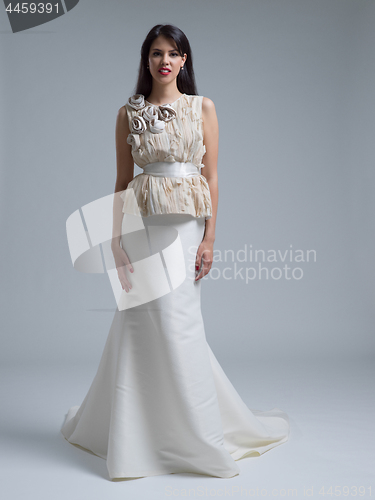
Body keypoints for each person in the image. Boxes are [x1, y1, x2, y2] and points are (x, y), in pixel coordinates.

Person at [61, 24, 290, 481]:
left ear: (184, 61)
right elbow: (122, 183)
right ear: (146, 61)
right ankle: (136, 436)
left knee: (180, 322)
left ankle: (197, 438)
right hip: (143, 226)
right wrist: (116, 243)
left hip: (185, 227)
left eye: (173, 53)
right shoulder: (130, 113)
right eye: (156, 53)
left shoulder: (201, 107)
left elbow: (214, 176)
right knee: (140, 321)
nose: (164, 61)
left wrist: (209, 238)